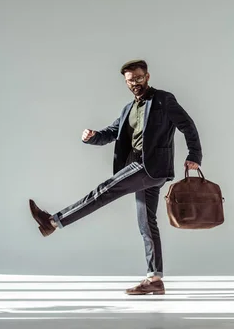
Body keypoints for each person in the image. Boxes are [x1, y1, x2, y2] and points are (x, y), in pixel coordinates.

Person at [28, 59, 203, 295]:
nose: (135, 84)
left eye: (139, 78)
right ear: (126, 82)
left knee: (103, 191)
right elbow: (112, 133)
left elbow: (187, 125)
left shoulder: (164, 100)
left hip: (151, 166)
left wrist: (195, 155)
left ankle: (53, 222)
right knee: (146, 223)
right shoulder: (128, 109)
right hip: (139, 166)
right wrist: (92, 137)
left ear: (148, 76)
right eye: (131, 81)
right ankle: (155, 279)